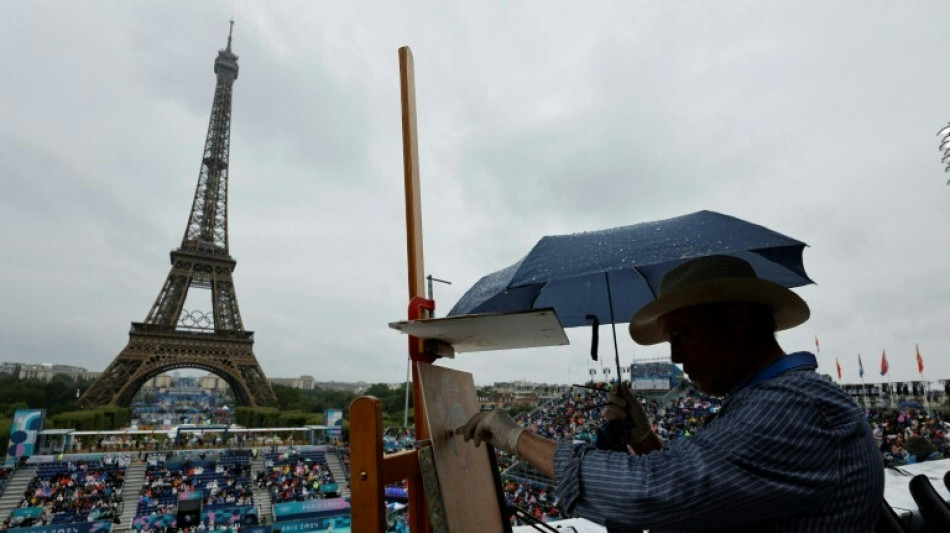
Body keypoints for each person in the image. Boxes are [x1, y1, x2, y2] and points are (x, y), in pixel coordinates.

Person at [459, 255, 884, 531]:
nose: (677, 355)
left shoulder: (792, 408)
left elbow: (653, 491)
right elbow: (709, 485)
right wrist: (645, 440)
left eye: (682, 334)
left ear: (736, 321)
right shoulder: (776, 399)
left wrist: (516, 437)